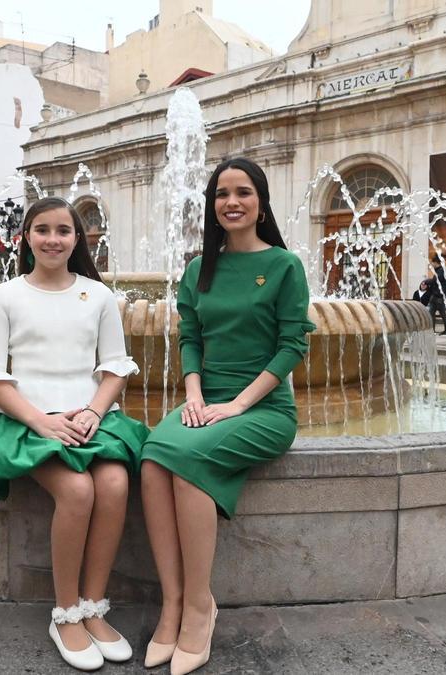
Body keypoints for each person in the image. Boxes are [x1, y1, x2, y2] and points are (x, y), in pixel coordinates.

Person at [139, 157, 315, 674]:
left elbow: (292, 347)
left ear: (260, 203)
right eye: (221, 194)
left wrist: (237, 404)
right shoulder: (199, 269)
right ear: (212, 206)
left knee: (188, 463)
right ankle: (172, 603)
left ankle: (200, 607)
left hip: (263, 406)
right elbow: (190, 338)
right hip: (206, 398)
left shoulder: (284, 265)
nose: (231, 202)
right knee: (152, 460)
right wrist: (193, 393)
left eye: (242, 192)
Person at [0, 196, 148, 671]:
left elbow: (113, 370)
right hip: (26, 420)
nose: (52, 239)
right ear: (26, 237)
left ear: (76, 239)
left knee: (115, 482)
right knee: (78, 489)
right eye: (41, 229)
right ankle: (65, 614)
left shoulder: (98, 295)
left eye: (63, 230)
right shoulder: (5, 297)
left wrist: (92, 411)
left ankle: (93, 606)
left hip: (89, 417)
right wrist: (42, 421)